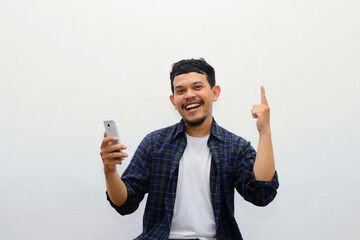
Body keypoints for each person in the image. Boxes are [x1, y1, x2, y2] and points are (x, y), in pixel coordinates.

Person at [100, 58, 279, 240]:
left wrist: (265, 133)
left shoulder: (235, 147)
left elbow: (261, 194)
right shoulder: (155, 144)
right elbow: (124, 203)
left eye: (197, 87)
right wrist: (110, 170)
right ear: (173, 100)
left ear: (215, 93)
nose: (189, 95)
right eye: (180, 91)